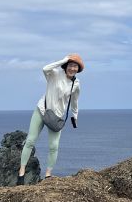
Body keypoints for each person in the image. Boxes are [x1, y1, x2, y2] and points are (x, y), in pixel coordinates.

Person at [16, 54, 83, 184]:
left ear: (78, 69)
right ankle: (21, 172)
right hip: (42, 110)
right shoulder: (55, 74)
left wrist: (75, 116)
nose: (72, 68)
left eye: (75, 66)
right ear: (66, 66)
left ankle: (48, 175)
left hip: (57, 116)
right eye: (70, 65)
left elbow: (75, 101)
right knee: (30, 141)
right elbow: (45, 68)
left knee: (54, 146)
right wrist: (63, 60)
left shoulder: (76, 84)